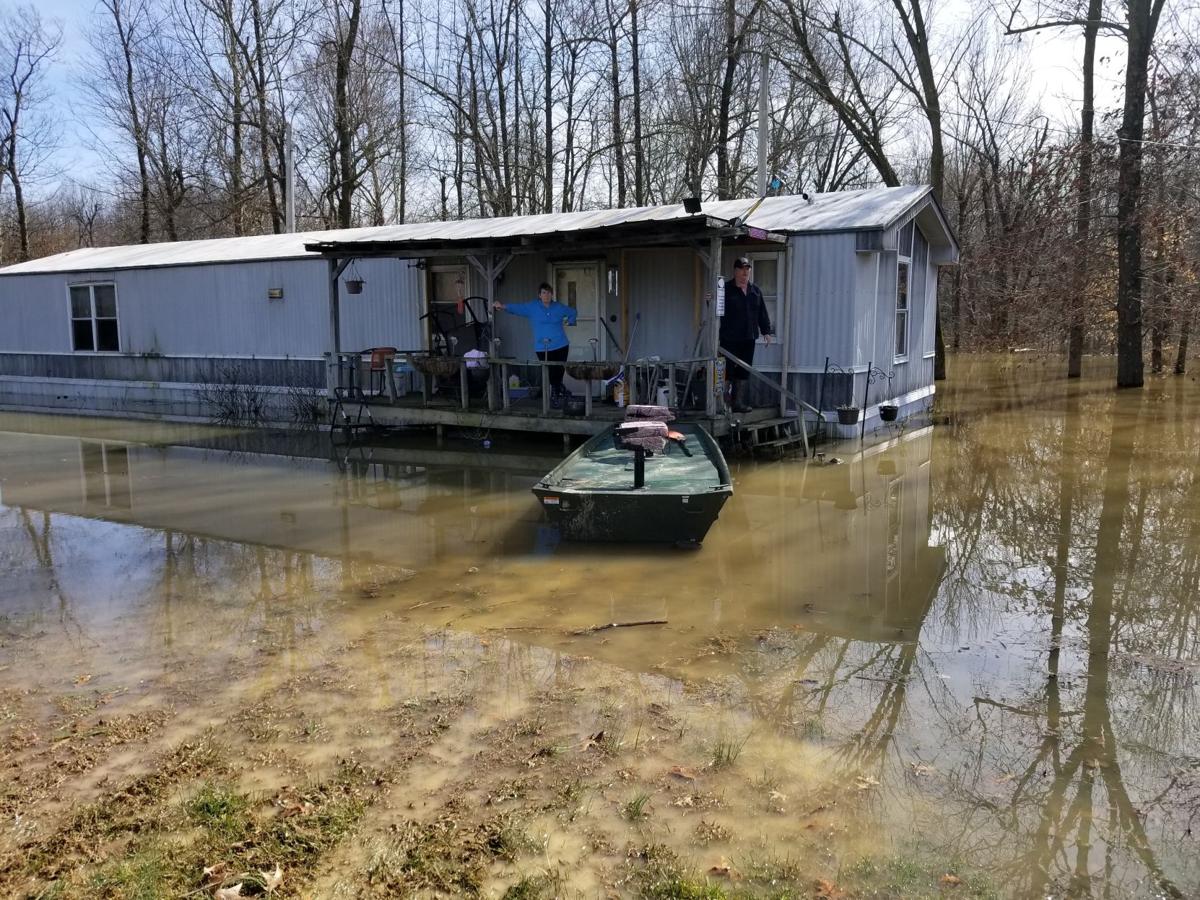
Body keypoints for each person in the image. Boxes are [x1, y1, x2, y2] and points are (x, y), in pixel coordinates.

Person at [494, 283, 578, 408]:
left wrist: (570, 322)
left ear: (552, 294)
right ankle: (560, 390)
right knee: (550, 371)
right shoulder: (533, 307)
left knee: (559, 370)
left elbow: (573, 312)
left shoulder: (558, 307)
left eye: (549, 292)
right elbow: (518, 308)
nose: (546, 295)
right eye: (544, 292)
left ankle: (555, 394)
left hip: (561, 345)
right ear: (539, 295)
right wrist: (502, 306)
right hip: (542, 346)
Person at [719, 257, 774, 413]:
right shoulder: (726, 289)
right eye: (742, 269)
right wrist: (710, 300)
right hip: (729, 337)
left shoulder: (755, 290)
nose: (745, 272)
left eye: (747, 269)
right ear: (736, 271)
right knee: (727, 370)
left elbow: (762, 312)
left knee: (744, 370)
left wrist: (766, 331)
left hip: (749, 337)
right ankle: (723, 405)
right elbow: (716, 307)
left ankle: (738, 403)